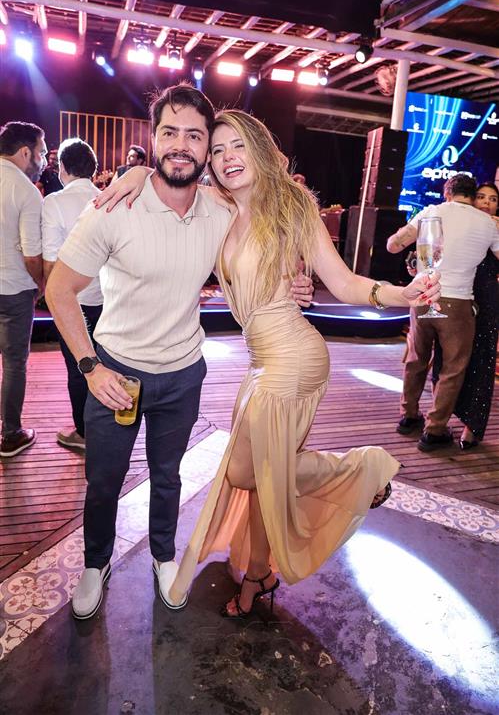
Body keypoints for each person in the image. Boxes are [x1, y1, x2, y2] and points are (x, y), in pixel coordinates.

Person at [103, 109, 441, 618]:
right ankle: (324, 505)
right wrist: (135, 173)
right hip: (260, 360)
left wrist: (401, 293)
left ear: (259, 148)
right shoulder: (218, 205)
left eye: (237, 145)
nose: (227, 158)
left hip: (293, 357)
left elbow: (344, 282)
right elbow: (166, 182)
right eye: (218, 150)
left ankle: (328, 503)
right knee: (252, 471)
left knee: (258, 471)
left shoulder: (291, 206)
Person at [45, 85, 313, 620]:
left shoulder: (219, 208)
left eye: (195, 136)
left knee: (168, 476)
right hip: (116, 374)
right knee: (104, 481)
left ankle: (163, 556)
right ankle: (95, 563)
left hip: (184, 374)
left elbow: (268, 211)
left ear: (207, 147)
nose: (181, 145)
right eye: (170, 132)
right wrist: (90, 368)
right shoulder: (113, 208)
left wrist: (291, 281)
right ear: (154, 138)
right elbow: (58, 290)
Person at [387, 174, 499, 453]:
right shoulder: (487, 223)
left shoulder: (431, 212)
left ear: (447, 192)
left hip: (424, 297)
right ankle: (434, 430)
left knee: (416, 358)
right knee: (453, 368)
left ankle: (408, 416)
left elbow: (393, 245)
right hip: (457, 304)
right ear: (472, 196)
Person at [42, 138, 103, 450]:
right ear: (93, 168)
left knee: (79, 367)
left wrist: (49, 297)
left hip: (72, 300)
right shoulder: (107, 198)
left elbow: (50, 261)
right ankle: (104, 427)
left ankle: (84, 433)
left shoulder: (54, 203)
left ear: (62, 168)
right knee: (105, 364)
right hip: (107, 299)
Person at [432, 182, 498, 448]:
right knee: (446, 360)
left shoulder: (494, 229)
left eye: (493, 199)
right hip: (456, 299)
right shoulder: (461, 224)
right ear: (471, 199)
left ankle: (472, 427)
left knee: (481, 362)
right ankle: (439, 421)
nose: (486, 202)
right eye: (481, 197)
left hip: (486, 302)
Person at [0, 121, 47, 457]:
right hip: (14, 289)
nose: (43, 160)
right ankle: (11, 434)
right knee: (14, 363)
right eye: (41, 152)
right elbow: (32, 255)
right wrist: (42, 284)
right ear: (25, 152)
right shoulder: (26, 191)